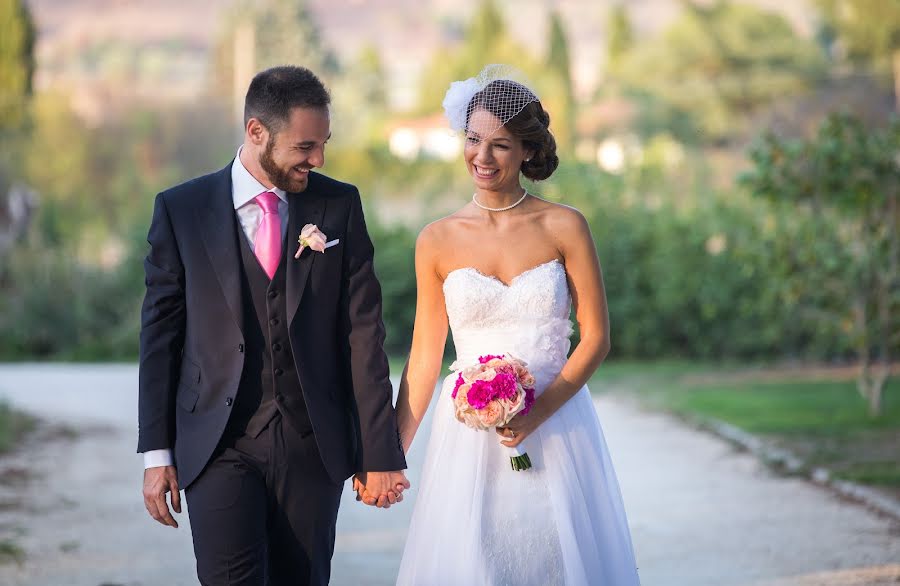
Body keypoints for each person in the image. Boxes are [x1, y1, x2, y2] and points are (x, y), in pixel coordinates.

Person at [137, 65, 409, 586]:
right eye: (305, 146)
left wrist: (379, 454)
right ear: (256, 132)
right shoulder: (181, 209)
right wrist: (157, 454)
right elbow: (159, 339)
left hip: (313, 445)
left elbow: (364, 338)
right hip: (218, 445)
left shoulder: (338, 205)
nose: (318, 159)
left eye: (324, 143)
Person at [392, 65, 641, 584]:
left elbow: (596, 338)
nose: (481, 157)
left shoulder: (565, 225)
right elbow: (422, 360)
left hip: (558, 428)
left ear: (527, 150)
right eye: (473, 139)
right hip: (466, 442)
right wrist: (388, 456)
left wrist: (536, 414)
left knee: (555, 557)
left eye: (500, 145)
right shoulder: (436, 239)